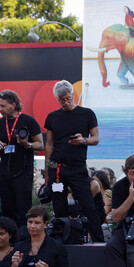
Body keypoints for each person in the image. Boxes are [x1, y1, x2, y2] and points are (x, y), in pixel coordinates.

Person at [43, 80, 105, 242]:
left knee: (88, 205)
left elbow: (96, 138)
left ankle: (99, 241)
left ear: (73, 95)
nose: (65, 101)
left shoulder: (87, 114)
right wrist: (47, 171)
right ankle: (62, 241)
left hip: (77, 167)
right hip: (56, 168)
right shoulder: (52, 117)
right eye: (62, 99)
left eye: (68, 98)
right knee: (59, 206)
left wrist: (83, 140)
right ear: (57, 99)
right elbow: (49, 145)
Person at [0, 90, 44, 227]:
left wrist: (27, 144)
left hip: (23, 171)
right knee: (7, 207)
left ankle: (24, 239)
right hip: (4, 171)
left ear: (13, 105)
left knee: (23, 208)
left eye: (2, 106)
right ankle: (9, 238)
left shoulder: (28, 121)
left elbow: (41, 145)